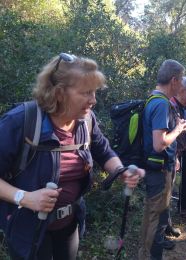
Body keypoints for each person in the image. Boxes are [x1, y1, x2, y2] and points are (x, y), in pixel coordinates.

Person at [0, 53, 144, 260]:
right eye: (86, 92)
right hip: (28, 228)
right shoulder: (20, 121)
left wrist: (120, 170)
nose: (93, 100)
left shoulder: (86, 121)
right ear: (59, 93)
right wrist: (25, 198)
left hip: (69, 226)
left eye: (94, 92)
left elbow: (103, 150)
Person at [138, 59, 186, 260]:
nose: (182, 84)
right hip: (158, 172)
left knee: (154, 217)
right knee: (155, 219)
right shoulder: (161, 104)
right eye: (182, 80)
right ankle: (149, 256)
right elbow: (159, 144)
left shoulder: (153, 99)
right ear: (174, 80)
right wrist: (178, 129)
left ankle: (148, 254)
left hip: (157, 168)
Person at [164, 76, 186, 239]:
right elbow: (165, 137)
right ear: (181, 90)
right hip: (165, 159)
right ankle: (161, 233)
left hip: (174, 156)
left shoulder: (182, 107)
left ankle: (167, 227)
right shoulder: (170, 105)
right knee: (163, 197)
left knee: (168, 195)